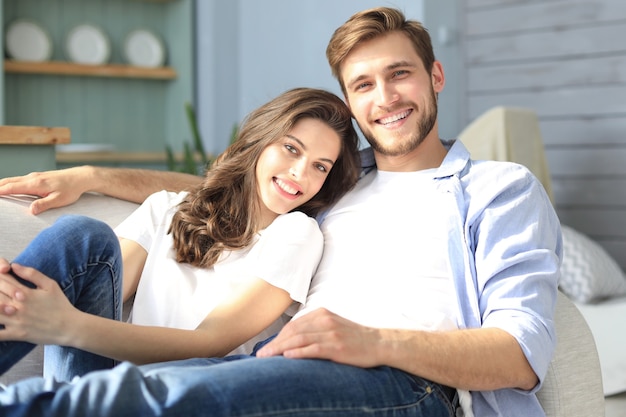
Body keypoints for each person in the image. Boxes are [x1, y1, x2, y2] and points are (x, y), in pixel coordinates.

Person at [0, 7, 561, 417]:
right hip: (280, 366)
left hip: (408, 384)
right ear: (350, 103)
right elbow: (224, 188)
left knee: (168, 394)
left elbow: (521, 352)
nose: (385, 97)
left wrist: (374, 342)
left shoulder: (498, 189)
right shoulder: (337, 178)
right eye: (363, 84)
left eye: (400, 74)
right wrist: (93, 178)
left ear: (435, 77)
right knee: (134, 366)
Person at [0, 88, 360, 381]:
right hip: (98, 376)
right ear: (259, 142)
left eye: (320, 167)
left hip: (170, 393)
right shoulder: (168, 208)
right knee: (82, 235)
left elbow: (209, 342)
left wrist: (65, 325)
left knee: (82, 235)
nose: (299, 172)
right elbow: (95, 287)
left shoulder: (297, 234)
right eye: (291, 148)